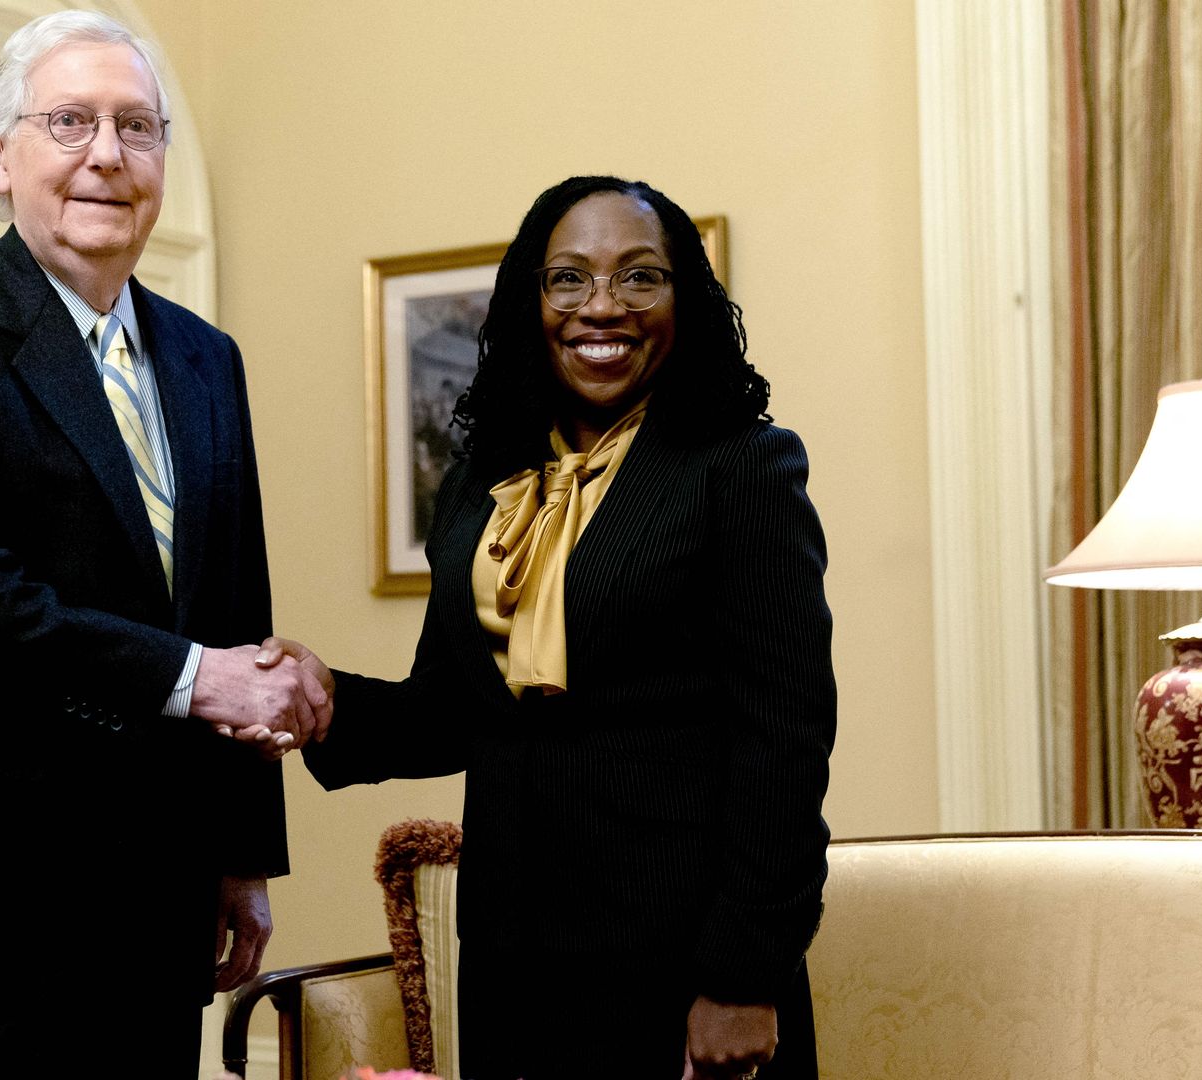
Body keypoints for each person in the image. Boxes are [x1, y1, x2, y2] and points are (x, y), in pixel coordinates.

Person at [0, 11, 326, 1075]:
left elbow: (232, 610)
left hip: (149, 919)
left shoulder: (205, 359)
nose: (106, 154)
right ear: (0, 154)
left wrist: (240, 857)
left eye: (137, 127)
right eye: (70, 121)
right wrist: (189, 678)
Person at [287, 176, 837, 1079]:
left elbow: (785, 739)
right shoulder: (482, 485)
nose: (603, 307)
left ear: (683, 298)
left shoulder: (741, 467)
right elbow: (452, 709)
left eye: (640, 277)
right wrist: (322, 700)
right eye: (569, 279)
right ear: (530, 300)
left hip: (682, 955)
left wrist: (745, 975)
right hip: (514, 947)